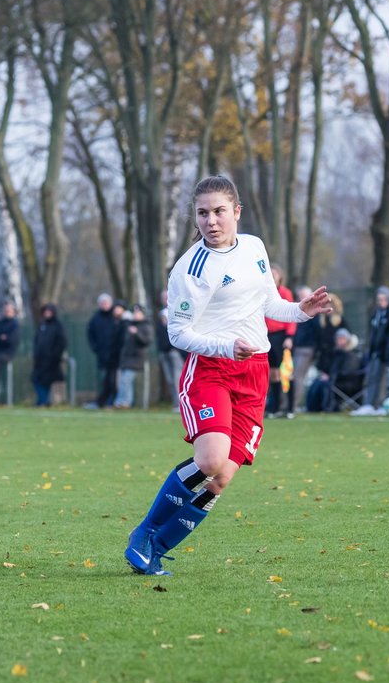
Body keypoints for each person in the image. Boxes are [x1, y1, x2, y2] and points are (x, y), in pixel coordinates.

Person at [123, 176, 331, 576]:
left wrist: (301, 309)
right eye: (203, 213)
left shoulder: (254, 247)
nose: (211, 221)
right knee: (212, 459)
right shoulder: (190, 269)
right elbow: (177, 332)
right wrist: (224, 347)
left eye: (219, 211)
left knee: (221, 480)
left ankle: (157, 549)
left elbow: (270, 304)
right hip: (211, 370)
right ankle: (144, 533)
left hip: (254, 373)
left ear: (237, 212)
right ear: (195, 218)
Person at [352, 287, 389, 414]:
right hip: (374, 352)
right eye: (379, 299)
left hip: (385, 354)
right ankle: (369, 404)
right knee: (371, 378)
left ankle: (380, 405)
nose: (381, 302)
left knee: (383, 380)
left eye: (383, 299)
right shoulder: (376, 313)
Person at [264, 265, 297, 416]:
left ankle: (289, 408)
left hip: (281, 336)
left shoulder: (285, 293)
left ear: (280, 276)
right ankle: (274, 407)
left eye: (274, 274)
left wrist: (289, 336)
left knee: (286, 372)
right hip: (267, 335)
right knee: (272, 373)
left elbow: (290, 314)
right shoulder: (263, 292)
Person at [287, 284, 322, 417]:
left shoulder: (313, 312)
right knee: (291, 376)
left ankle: (293, 405)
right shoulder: (297, 309)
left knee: (298, 377)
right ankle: (288, 405)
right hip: (297, 347)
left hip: (306, 348)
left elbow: (317, 331)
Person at [85, 294, 123, 409]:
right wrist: (96, 348)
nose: (104, 305)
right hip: (103, 356)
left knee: (115, 381)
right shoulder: (95, 319)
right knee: (105, 380)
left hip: (116, 356)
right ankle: (106, 401)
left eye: (106, 303)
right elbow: (90, 335)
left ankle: (113, 401)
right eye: (102, 303)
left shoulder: (116, 317)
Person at [114, 304, 153, 409]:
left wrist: (136, 333)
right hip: (126, 358)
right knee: (123, 381)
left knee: (126, 380)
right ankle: (122, 402)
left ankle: (125, 402)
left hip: (136, 359)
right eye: (134, 313)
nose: (136, 315)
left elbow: (146, 341)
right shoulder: (129, 325)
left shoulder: (146, 326)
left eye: (138, 313)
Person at [31, 303, 67, 407]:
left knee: (46, 381)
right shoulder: (42, 325)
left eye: (49, 312)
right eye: (45, 312)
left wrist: (55, 355)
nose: (47, 314)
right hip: (40, 360)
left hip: (51, 360)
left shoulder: (58, 326)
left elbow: (62, 342)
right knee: (36, 380)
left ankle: (43, 400)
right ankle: (43, 400)